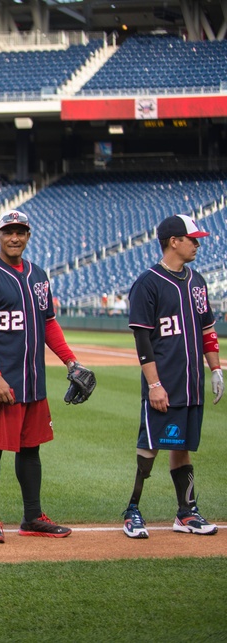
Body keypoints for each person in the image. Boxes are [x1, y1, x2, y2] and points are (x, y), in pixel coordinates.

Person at [0, 210, 89, 543]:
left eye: (21, 232)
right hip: (0, 383)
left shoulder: (38, 275)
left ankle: (32, 517)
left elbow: (48, 324)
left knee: (30, 448)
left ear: (28, 236)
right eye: (9, 232)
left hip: (33, 381)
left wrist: (70, 362)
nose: (15, 237)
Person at [121, 214, 223, 539]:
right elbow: (142, 339)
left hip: (192, 383)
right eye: (192, 238)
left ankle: (186, 513)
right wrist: (154, 384)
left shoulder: (198, 282)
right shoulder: (148, 283)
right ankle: (132, 510)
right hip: (163, 382)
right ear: (173, 241)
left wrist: (216, 369)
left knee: (183, 446)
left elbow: (208, 329)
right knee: (150, 445)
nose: (197, 243)